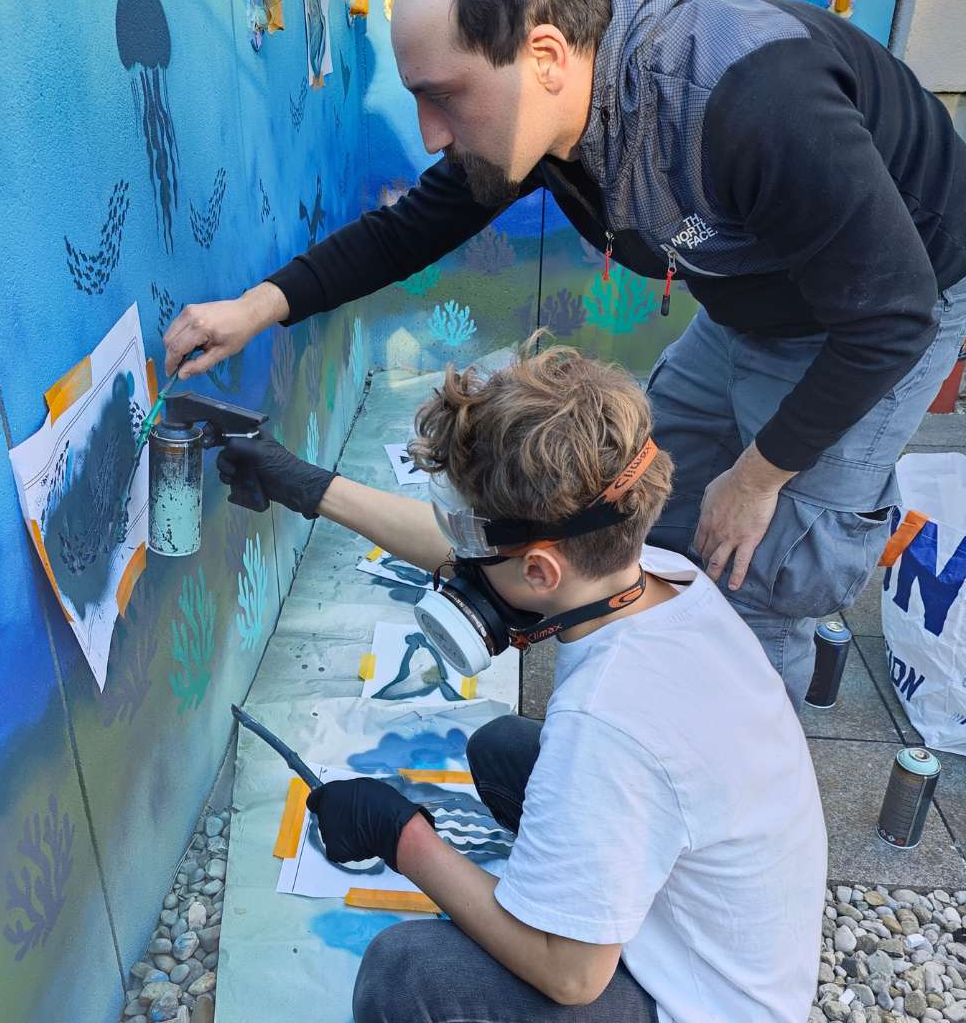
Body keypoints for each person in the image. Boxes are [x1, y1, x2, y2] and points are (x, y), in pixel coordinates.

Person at [166, 0, 966, 707]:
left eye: (443, 95)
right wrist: (259, 307)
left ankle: (722, 778)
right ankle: (650, 693)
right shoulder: (544, 102)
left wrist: (763, 473)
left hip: (890, 308)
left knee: (763, 564)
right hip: (754, 293)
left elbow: (894, 315)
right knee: (640, 504)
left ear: (546, 56)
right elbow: (410, 229)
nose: (432, 134)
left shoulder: (750, 102)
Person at [216, 341, 828, 1021]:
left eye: (477, 539)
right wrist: (303, 485)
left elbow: (571, 978)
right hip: (718, 932)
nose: (463, 558)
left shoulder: (606, 721)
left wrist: (401, 837)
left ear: (541, 573)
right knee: (503, 750)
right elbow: (462, 550)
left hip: (700, 1004)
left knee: (410, 972)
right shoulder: (655, 575)